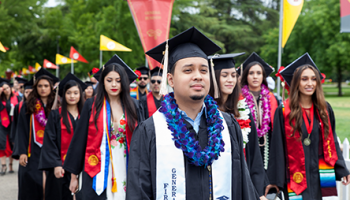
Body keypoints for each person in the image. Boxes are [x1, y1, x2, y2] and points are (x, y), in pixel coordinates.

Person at [126, 27, 259, 200]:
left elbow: (242, 187)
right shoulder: (150, 131)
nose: (198, 76)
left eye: (203, 70)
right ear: (171, 79)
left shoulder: (228, 125)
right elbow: (139, 192)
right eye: (188, 70)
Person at [266, 53, 350, 200]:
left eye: (313, 79)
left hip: (320, 174)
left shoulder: (325, 109)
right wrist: (275, 181)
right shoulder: (284, 112)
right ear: (296, 82)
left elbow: (331, 140)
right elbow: (277, 147)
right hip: (294, 175)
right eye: (304, 79)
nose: (309, 83)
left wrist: (342, 168)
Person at [63, 55, 144, 200]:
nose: (114, 84)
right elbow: (79, 140)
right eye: (109, 80)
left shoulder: (134, 106)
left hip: (126, 163)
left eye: (118, 81)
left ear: (124, 83)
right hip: (97, 166)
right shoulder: (92, 106)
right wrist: (74, 176)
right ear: (103, 82)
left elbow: (142, 140)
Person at [208, 53, 268, 199]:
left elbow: (254, 155)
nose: (230, 80)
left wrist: (259, 192)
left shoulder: (243, 110)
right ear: (214, 78)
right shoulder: (206, 112)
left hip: (243, 183)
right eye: (224, 75)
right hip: (216, 184)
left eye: (233, 75)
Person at [39, 73, 86, 200]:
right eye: (69, 93)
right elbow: (50, 142)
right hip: (61, 168)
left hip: (83, 167)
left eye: (76, 93)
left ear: (80, 95)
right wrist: (56, 164)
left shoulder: (87, 116)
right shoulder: (55, 116)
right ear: (63, 95)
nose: (72, 96)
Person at [14, 68, 59, 200]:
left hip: (51, 150)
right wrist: (22, 152)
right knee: (32, 183)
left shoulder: (56, 105)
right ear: (35, 87)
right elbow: (21, 130)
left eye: (46, 86)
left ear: (51, 87)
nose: (43, 89)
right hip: (32, 150)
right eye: (40, 86)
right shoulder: (28, 105)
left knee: (51, 185)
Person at [239, 52, 278, 171]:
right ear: (246, 76)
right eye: (251, 73)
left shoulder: (270, 97)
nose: (255, 76)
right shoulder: (239, 98)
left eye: (258, 73)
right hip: (246, 142)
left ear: (263, 76)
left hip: (268, 143)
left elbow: (275, 125)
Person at [0, 78, 22, 175]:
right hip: (2, 125)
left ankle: (10, 165)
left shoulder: (17, 98)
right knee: (2, 144)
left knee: (12, 143)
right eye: (4, 89)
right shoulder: (1, 99)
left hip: (14, 124)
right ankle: (3, 165)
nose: (6, 90)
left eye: (7, 88)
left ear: (10, 88)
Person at [11, 78, 33, 160]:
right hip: (22, 133)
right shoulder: (19, 106)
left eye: (30, 92)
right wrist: (13, 137)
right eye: (26, 92)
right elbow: (16, 122)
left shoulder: (38, 106)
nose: (28, 94)